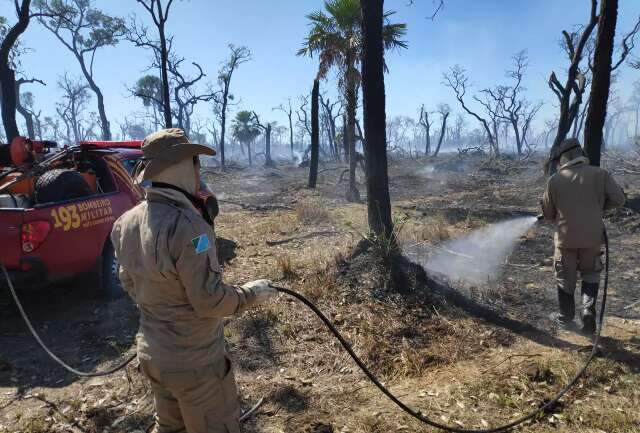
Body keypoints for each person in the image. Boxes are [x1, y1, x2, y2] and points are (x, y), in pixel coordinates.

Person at [111, 128, 277, 433]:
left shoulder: (124, 223)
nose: (199, 169)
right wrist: (250, 294)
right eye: (195, 161)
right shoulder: (190, 227)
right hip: (196, 366)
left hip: (153, 356)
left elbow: (129, 285)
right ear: (181, 167)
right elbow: (209, 301)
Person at [541, 138, 625, 334]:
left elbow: (548, 214)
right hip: (592, 238)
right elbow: (619, 200)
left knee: (564, 278)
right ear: (581, 155)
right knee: (591, 273)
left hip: (565, 240)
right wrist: (599, 206)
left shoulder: (554, 181)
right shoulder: (600, 174)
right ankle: (588, 310)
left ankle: (565, 319)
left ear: (562, 159)